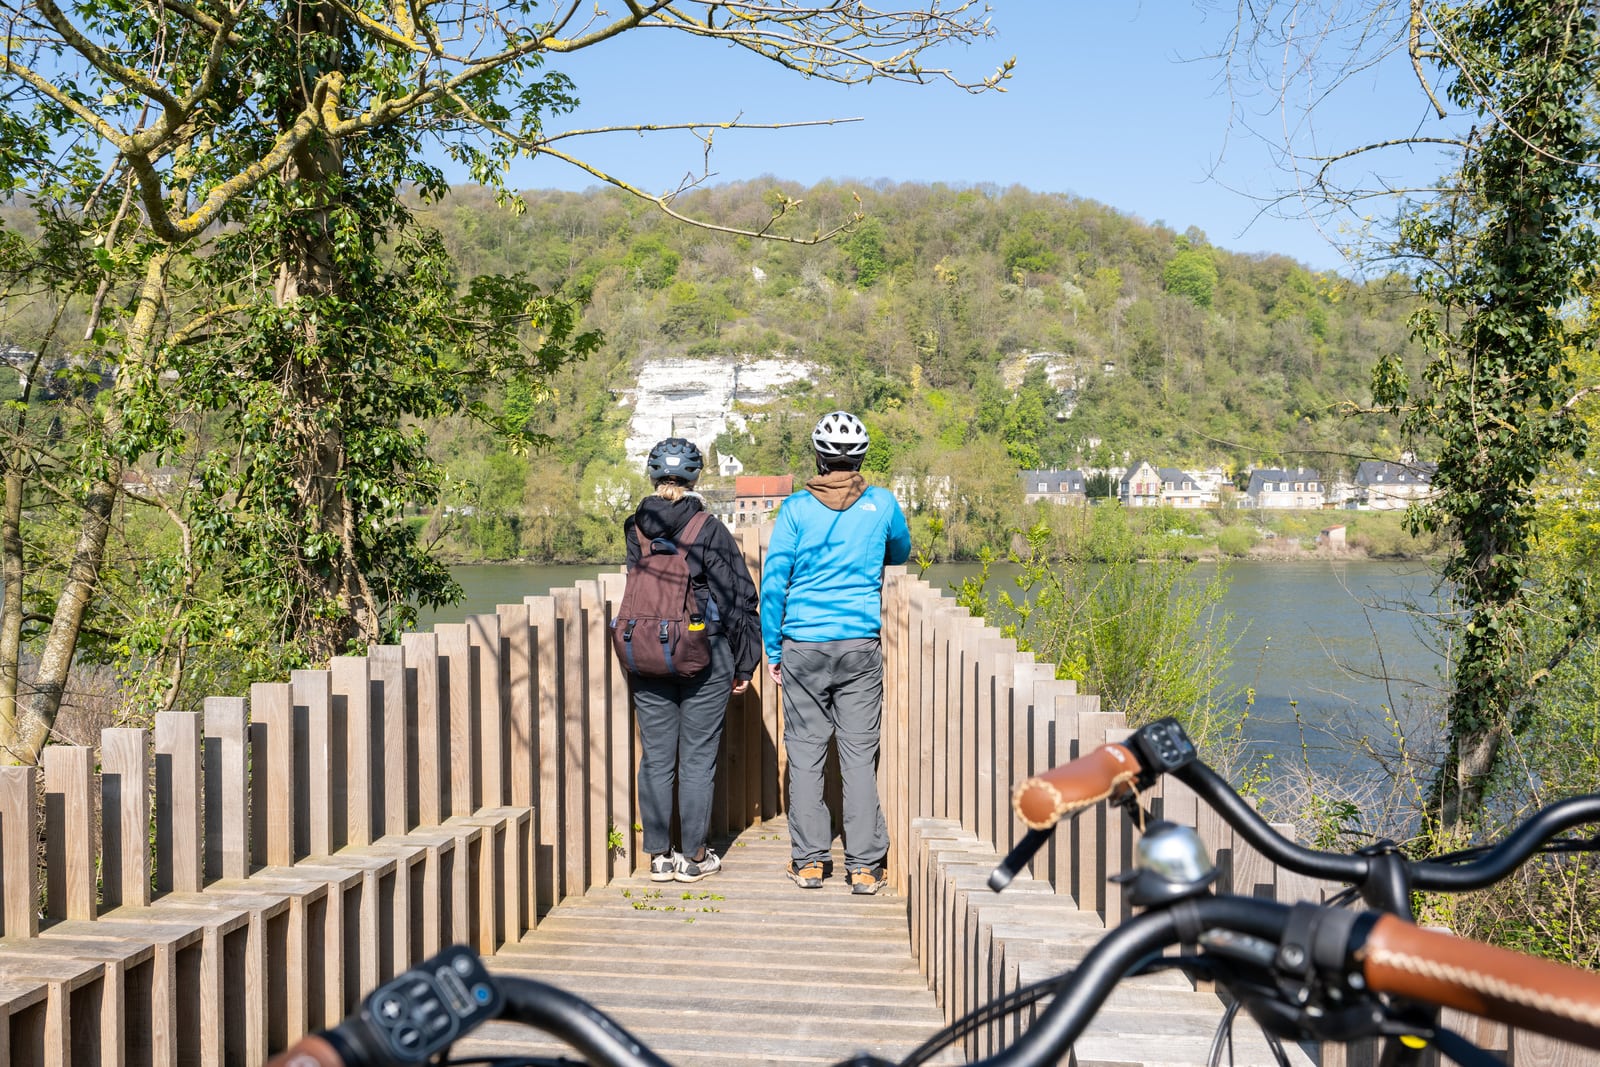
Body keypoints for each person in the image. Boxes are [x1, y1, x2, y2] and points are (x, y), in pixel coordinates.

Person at [761, 411, 911, 894]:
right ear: (861, 457)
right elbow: (901, 552)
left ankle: (809, 862)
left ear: (819, 458)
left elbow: (774, 581)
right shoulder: (882, 504)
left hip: (802, 645)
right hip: (859, 646)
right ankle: (864, 867)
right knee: (858, 755)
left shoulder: (796, 509)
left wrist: (772, 647)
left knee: (805, 755)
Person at [623, 438, 761, 883]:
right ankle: (695, 857)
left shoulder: (636, 528)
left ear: (653, 476)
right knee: (698, 759)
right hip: (706, 654)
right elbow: (739, 599)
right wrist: (745, 663)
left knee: (657, 758)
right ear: (695, 477)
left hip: (647, 652)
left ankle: (659, 857)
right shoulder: (709, 528)